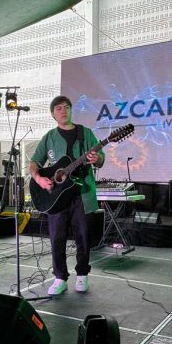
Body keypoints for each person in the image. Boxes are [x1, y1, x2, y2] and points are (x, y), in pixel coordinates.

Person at [29, 95, 104, 295]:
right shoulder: (49, 137)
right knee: (57, 238)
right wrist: (39, 179)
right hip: (56, 197)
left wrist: (97, 159)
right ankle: (60, 277)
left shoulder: (85, 133)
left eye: (66, 107)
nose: (63, 111)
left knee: (83, 237)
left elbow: (101, 160)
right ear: (53, 114)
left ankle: (82, 275)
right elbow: (34, 162)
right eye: (58, 108)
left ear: (71, 110)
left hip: (82, 192)